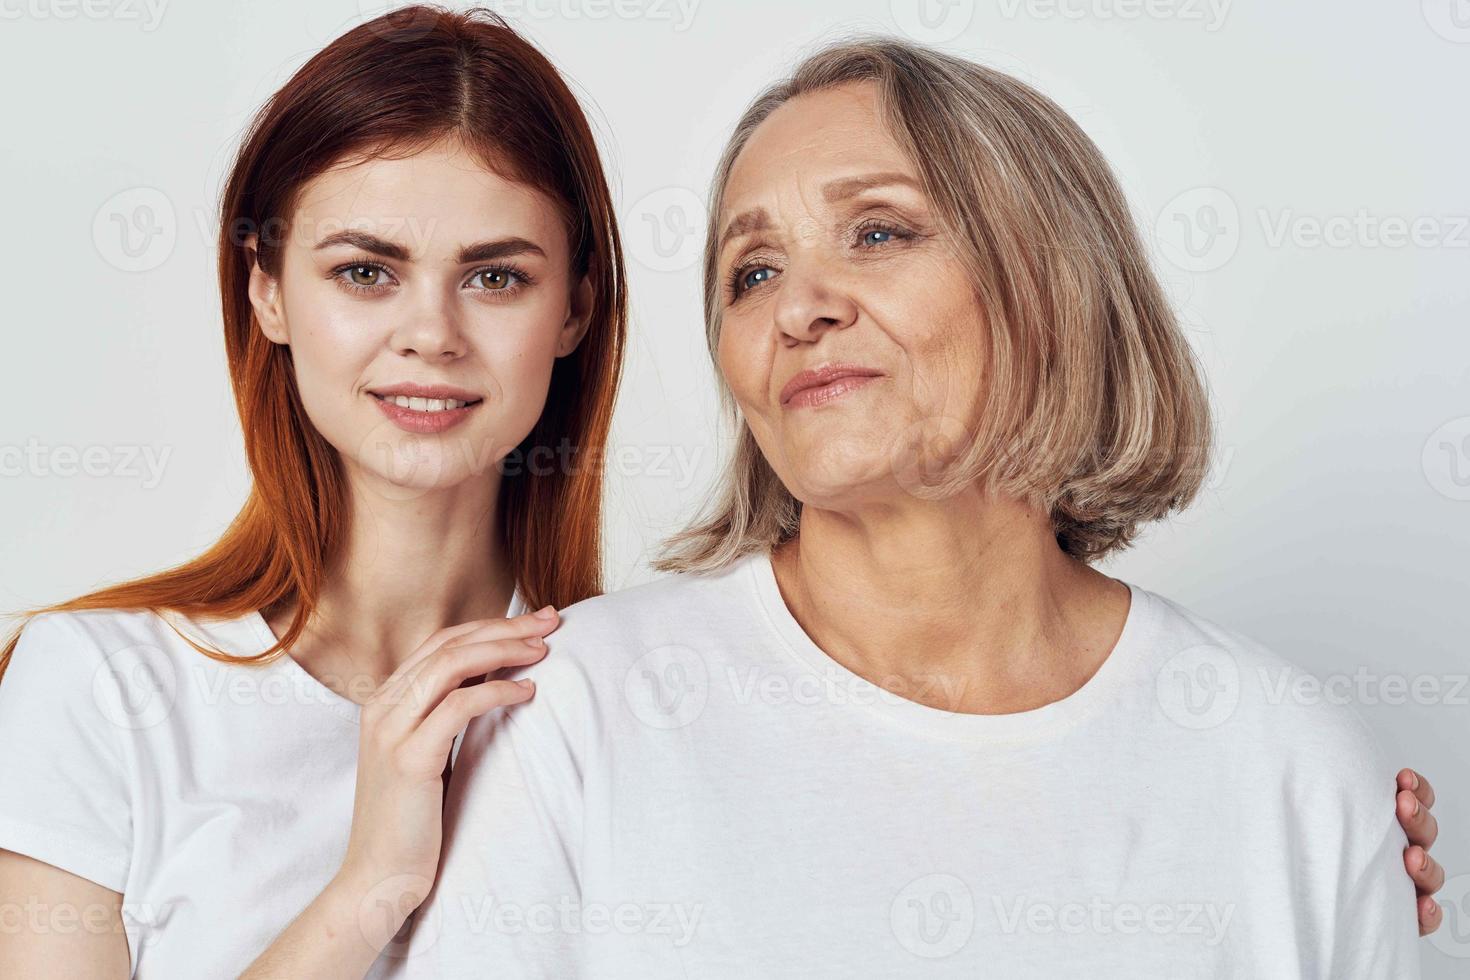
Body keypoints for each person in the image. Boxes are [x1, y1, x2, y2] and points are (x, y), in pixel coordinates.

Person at [406, 37, 1437, 978]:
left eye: (879, 232)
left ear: (1048, 279)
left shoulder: (1290, 767)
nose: (800, 307)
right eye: (752, 271)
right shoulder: (575, 711)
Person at [0, 8, 626, 977]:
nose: (431, 333)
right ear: (270, 293)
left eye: (496, 276)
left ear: (575, 307)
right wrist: (370, 884)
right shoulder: (100, 689)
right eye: (366, 270)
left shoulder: (639, 699)